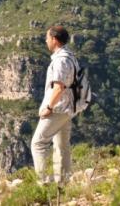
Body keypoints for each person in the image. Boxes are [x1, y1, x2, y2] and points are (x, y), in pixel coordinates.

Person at [31, 25, 78, 185]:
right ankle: (63, 184)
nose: (45, 41)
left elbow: (59, 87)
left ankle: (43, 184)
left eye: (47, 38)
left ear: (54, 40)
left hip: (57, 108)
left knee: (38, 143)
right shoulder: (70, 56)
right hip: (68, 108)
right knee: (62, 146)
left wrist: (48, 107)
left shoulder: (61, 60)